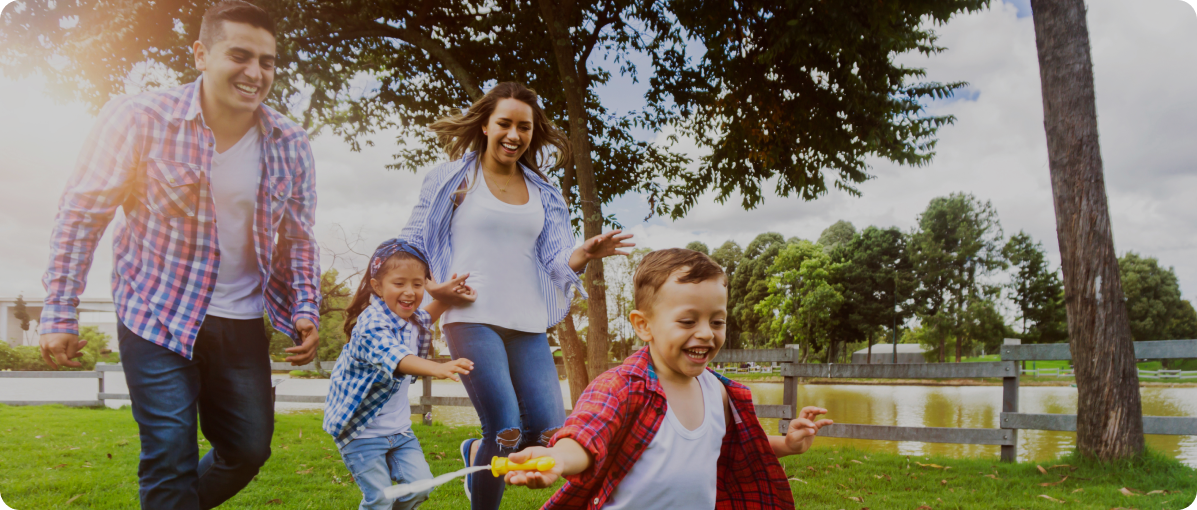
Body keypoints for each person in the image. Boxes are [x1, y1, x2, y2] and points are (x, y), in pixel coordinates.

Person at [36, 2, 320, 508]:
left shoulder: (290, 141)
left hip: (240, 319)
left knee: (248, 450)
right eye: (239, 55)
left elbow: (298, 238)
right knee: (169, 454)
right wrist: (60, 308)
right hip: (157, 312)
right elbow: (82, 215)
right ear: (200, 55)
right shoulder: (138, 118)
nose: (255, 73)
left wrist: (305, 306)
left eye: (267, 61)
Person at [399, 81, 633, 510]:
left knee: (548, 430)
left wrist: (584, 253)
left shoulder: (544, 191)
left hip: (527, 319)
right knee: (505, 430)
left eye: (524, 127)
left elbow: (555, 258)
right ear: (485, 125)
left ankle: (475, 452)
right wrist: (432, 287)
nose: (514, 134)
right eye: (504, 123)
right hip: (470, 316)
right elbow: (412, 242)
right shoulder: (452, 179)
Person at [503, 248, 834, 509]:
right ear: (643, 325)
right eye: (688, 321)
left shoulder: (718, 392)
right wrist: (558, 458)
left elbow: (733, 446)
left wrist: (787, 445)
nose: (706, 333)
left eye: (717, 322)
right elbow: (586, 436)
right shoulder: (621, 387)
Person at [324, 238, 476, 510]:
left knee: (421, 487)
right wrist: (437, 367)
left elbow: (427, 316)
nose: (410, 292)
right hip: (360, 433)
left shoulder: (410, 319)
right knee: (380, 499)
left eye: (417, 284)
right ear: (377, 286)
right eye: (399, 283)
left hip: (399, 432)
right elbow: (396, 357)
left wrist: (449, 297)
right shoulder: (371, 323)